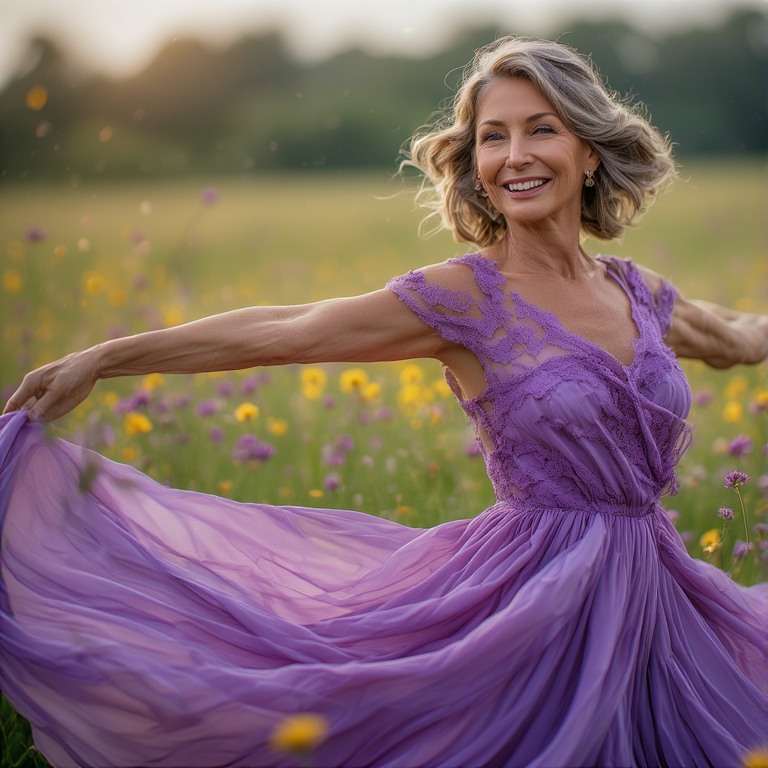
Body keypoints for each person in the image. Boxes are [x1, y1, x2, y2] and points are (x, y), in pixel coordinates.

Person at [1, 35, 766, 768]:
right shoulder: (466, 298)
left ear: (589, 151)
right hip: (534, 603)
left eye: (542, 130)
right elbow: (287, 330)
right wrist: (106, 358)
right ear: (474, 166)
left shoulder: (637, 292)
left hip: (658, 598)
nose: (515, 156)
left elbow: (735, 339)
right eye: (492, 138)